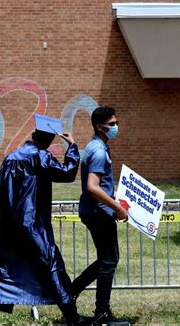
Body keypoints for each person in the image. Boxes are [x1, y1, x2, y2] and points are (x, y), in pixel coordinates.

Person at [0, 114, 87, 326]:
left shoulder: (11, 157)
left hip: (11, 227)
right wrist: (72, 147)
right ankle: (72, 317)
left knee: (4, 268)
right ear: (48, 140)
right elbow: (67, 173)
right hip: (34, 226)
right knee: (51, 266)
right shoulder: (41, 157)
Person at [71, 106, 129, 324]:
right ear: (100, 126)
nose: (116, 127)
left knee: (107, 260)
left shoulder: (98, 146)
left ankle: (70, 293)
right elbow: (93, 187)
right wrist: (117, 207)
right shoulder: (97, 151)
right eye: (112, 124)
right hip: (98, 213)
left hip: (98, 212)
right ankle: (101, 313)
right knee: (108, 261)